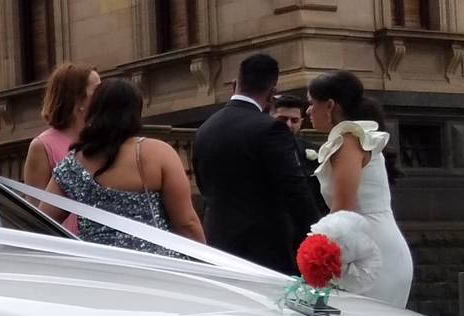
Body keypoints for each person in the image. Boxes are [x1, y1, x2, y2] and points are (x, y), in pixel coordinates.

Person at [189, 52, 319, 273]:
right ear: (271, 94)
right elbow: (295, 190)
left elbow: (203, 184)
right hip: (264, 249)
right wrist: (318, 237)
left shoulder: (205, 129)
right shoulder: (270, 129)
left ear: (234, 85)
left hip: (217, 242)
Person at [46, 76, 205, 251]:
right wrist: (210, 264)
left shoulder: (72, 164)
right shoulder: (159, 153)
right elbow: (186, 223)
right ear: (136, 113)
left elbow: (42, 220)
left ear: (93, 110)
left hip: (96, 267)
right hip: (156, 265)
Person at [305, 69, 414, 308]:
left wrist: (317, 258)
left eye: (312, 103)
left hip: (371, 253)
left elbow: (343, 209)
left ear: (330, 105)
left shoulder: (349, 140)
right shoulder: (353, 138)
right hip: (367, 244)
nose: (308, 111)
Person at [23, 63, 97, 228]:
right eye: (97, 90)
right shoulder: (42, 146)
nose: (104, 95)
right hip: (68, 245)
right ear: (78, 100)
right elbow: (38, 213)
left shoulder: (100, 140)